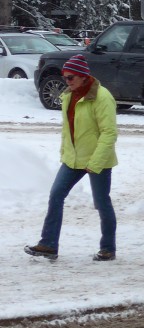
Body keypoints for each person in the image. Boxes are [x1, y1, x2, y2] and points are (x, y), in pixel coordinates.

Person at [25, 54, 119, 261]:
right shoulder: (68, 95)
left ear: (84, 76)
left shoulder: (102, 98)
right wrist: (64, 154)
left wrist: (95, 163)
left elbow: (109, 133)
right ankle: (48, 244)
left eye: (71, 77)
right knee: (56, 195)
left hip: (98, 161)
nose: (66, 81)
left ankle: (108, 248)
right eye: (65, 77)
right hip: (73, 159)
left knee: (101, 202)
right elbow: (69, 130)